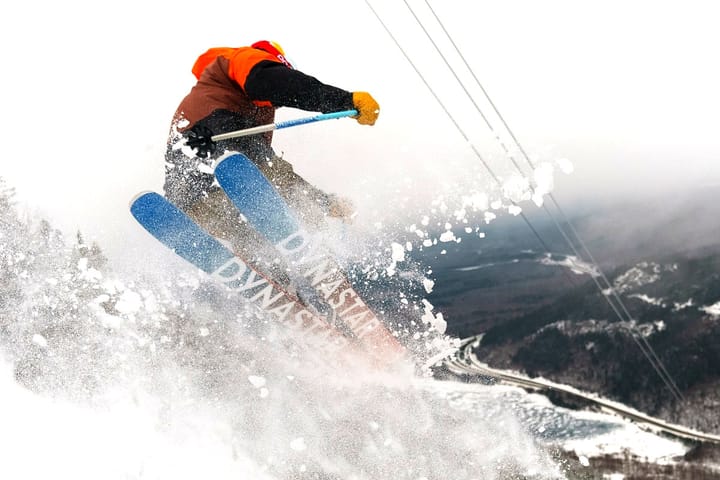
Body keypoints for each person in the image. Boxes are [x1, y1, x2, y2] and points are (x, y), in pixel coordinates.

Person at [164, 40, 379, 283]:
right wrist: (346, 101)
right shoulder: (247, 58)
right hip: (212, 136)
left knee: (257, 239)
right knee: (278, 185)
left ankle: (274, 280)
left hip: (196, 183)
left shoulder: (252, 107)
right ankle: (309, 250)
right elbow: (279, 84)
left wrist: (323, 203)